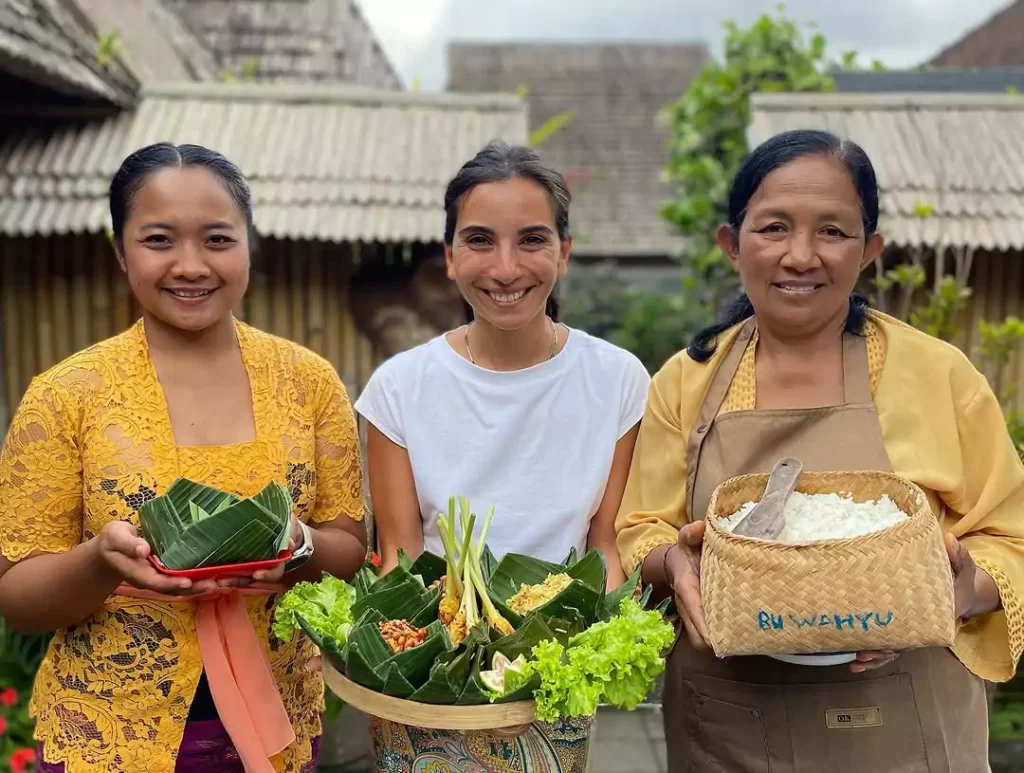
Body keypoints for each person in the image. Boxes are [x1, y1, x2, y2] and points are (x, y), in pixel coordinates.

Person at [615, 129, 1024, 772]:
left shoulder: (939, 376)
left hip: (904, 724)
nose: (800, 255)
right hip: (731, 720)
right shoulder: (686, 383)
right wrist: (673, 564)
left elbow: (1012, 539)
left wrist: (945, 594)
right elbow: (640, 527)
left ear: (869, 252)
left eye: (832, 232)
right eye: (774, 227)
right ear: (731, 244)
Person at [0, 143, 368, 773]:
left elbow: (349, 547)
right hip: (111, 732)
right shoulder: (65, 396)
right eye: (159, 239)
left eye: (218, 240)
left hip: (273, 725)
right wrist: (100, 561)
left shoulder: (309, 383)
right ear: (120, 252)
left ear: (251, 244)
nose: (191, 265)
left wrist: (298, 544)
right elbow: (18, 598)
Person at [353, 140, 650, 772]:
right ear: (450, 258)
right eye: (481, 240)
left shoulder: (618, 381)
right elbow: (401, 555)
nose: (506, 268)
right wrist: (399, 655)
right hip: (433, 678)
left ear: (564, 253)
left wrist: (607, 637)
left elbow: (604, 545)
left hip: (554, 679)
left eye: (533, 240)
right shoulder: (399, 389)